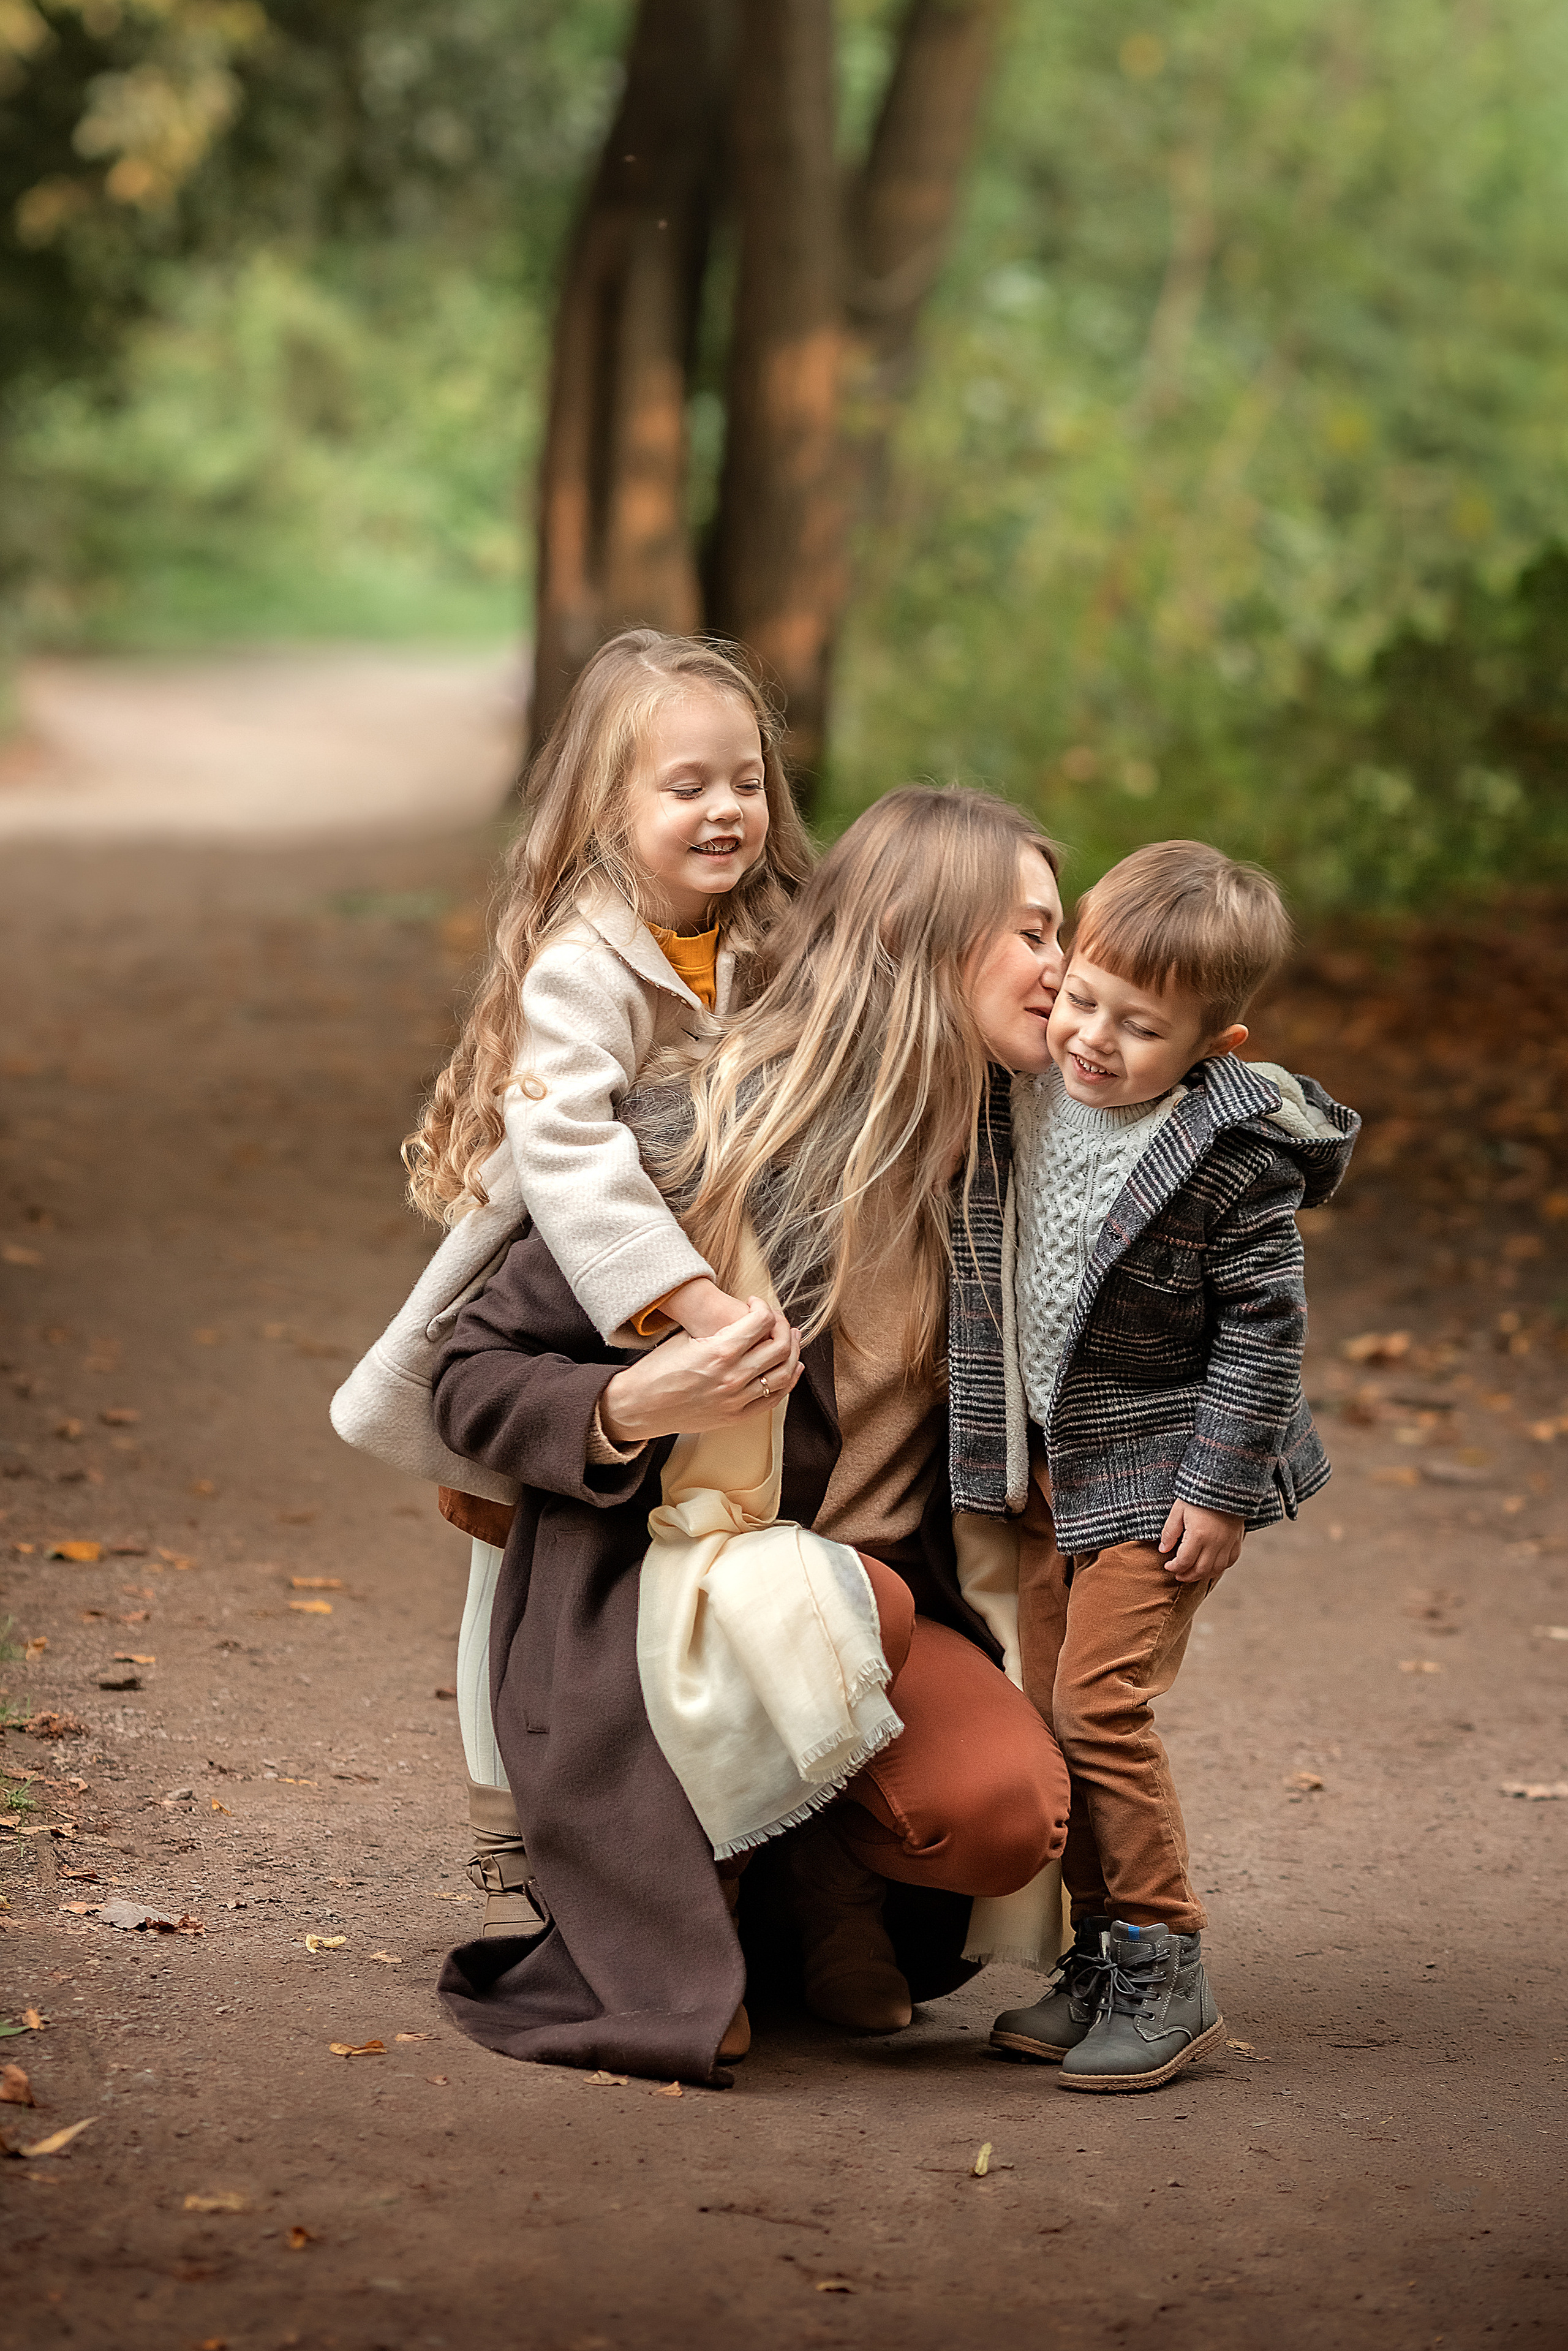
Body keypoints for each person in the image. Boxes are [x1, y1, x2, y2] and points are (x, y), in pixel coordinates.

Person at [429, 787, 1075, 2083]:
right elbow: (471, 1371)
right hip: (661, 1609)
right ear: (927, 935)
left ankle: (818, 1882)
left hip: (877, 1605)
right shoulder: (697, 1132)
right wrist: (629, 1402)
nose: (1062, 971)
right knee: (844, 1598)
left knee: (1006, 1813)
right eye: (1032, 933)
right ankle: (692, 1901)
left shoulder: (1004, 1167)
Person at [334, 628, 812, 1930]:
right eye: (685, 786)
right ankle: (503, 1814)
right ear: (609, 809)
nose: (726, 809)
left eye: (746, 781)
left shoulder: (772, 938)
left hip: (713, 1264)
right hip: (564, 1286)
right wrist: (689, 1303)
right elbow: (571, 1149)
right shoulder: (584, 959)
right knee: (513, 1535)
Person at [983, 840, 1359, 2091]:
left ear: (1212, 1043)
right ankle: (1096, 1953)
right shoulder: (1024, 1091)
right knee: (1050, 1712)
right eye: (1078, 996)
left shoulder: (1225, 1153)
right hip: (1055, 1464)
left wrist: (1214, 1484)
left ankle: (1165, 1954)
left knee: (1100, 1703)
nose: (1089, 1037)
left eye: (1136, 1027)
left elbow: (1262, 1325)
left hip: (1165, 1464)